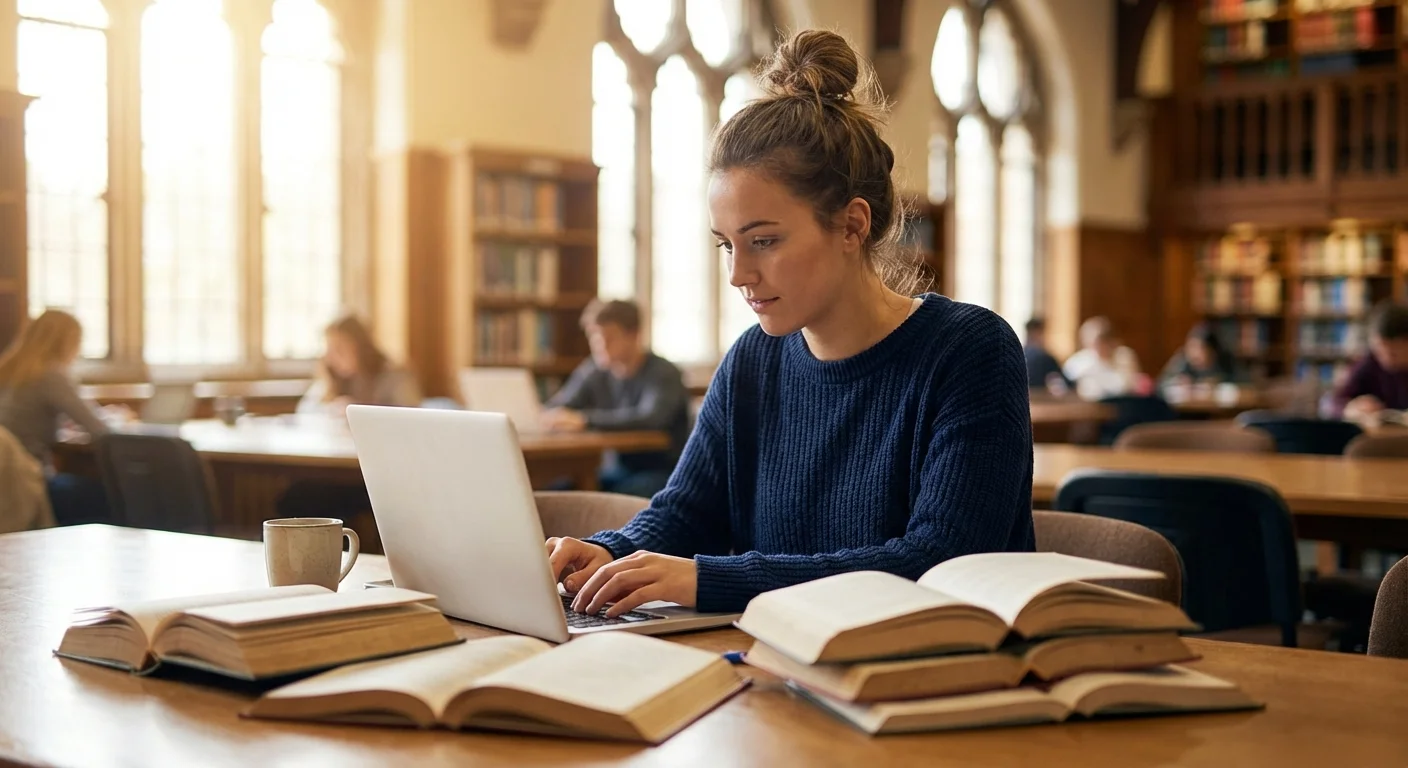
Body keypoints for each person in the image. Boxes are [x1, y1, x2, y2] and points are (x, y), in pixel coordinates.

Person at [544, 30, 1034, 619]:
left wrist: (708, 580)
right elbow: (685, 513)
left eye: (764, 241)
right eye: (727, 246)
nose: (739, 275)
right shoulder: (754, 358)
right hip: (778, 666)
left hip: (933, 680)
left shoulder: (969, 351)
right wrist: (606, 555)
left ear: (853, 226)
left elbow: (940, 562)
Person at [541, 300, 690, 499]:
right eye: (594, 337)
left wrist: (584, 421)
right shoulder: (595, 370)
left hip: (663, 472)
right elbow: (560, 404)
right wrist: (556, 416)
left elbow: (651, 418)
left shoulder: (664, 373)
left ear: (634, 335)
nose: (600, 345)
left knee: (610, 498)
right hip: (616, 470)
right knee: (556, 492)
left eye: (609, 337)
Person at [0, 310, 111, 525]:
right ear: (66, 341)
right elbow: (99, 430)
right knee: (111, 495)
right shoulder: (51, 374)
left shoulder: (9, 369)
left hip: (7, 482)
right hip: (29, 481)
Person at [297, 314, 422, 416]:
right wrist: (332, 409)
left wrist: (360, 413)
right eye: (329, 350)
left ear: (361, 348)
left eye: (339, 349)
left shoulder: (395, 376)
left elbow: (411, 416)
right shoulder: (332, 376)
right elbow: (304, 410)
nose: (331, 358)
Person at [1332, 301, 1408, 421]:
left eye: (1394, 353)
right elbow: (1336, 402)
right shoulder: (1369, 363)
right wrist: (1351, 408)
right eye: (1380, 350)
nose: (1386, 358)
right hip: (1380, 436)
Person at [1062, 316, 1144, 401]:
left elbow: (1127, 385)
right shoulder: (1078, 362)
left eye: (1101, 342)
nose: (1098, 347)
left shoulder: (1124, 356)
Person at [1159, 323, 1238, 391]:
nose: (1194, 353)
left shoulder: (1225, 360)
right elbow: (1161, 384)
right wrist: (1178, 382)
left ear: (1212, 351)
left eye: (1199, 348)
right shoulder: (1182, 361)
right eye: (1191, 347)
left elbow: (1239, 383)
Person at [1023, 317, 1070, 394]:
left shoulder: (1019, 353)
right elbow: (1065, 383)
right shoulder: (1044, 357)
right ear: (1038, 332)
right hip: (1041, 398)